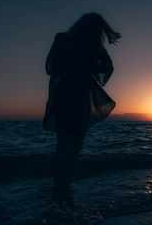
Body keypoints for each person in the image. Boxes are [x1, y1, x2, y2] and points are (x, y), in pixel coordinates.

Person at [43, 13, 120, 207]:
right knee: (73, 150)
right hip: (79, 98)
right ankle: (64, 192)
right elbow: (108, 68)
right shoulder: (94, 47)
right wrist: (90, 69)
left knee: (61, 148)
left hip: (61, 97)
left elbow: (51, 68)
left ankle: (57, 192)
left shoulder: (61, 38)